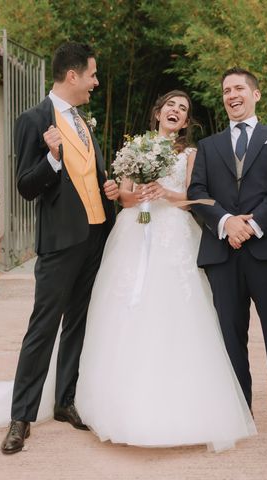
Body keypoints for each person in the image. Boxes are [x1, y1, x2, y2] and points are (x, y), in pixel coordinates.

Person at [75, 90, 256, 451]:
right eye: (171, 106)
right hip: (134, 231)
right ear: (158, 112)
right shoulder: (135, 147)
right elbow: (125, 196)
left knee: (176, 313)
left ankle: (181, 405)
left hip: (174, 235)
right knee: (126, 311)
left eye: (183, 109)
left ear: (186, 122)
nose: (176, 111)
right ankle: (119, 403)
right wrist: (131, 193)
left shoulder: (190, 153)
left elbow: (193, 199)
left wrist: (164, 193)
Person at [1, 42, 119, 454]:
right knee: (43, 327)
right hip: (59, 242)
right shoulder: (33, 119)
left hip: (95, 236)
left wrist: (109, 190)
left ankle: (65, 400)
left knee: (78, 324)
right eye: (92, 74)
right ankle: (21, 417)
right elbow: (25, 186)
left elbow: (89, 172)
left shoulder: (82, 120)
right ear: (72, 76)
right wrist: (51, 158)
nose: (95, 82)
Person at [188, 67, 267, 441]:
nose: (232, 95)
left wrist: (252, 225)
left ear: (256, 94)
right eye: (226, 90)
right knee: (230, 334)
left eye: (239, 88)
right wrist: (226, 222)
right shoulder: (209, 146)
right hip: (223, 253)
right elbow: (197, 192)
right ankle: (239, 408)